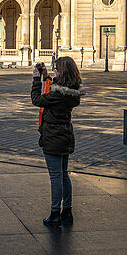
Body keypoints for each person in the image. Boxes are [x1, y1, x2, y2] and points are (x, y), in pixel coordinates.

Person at [31, 56, 83, 228]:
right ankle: (67, 211)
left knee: (55, 176)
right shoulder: (71, 91)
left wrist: (36, 81)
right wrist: (46, 77)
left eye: (57, 69)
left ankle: (55, 213)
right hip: (65, 135)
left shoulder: (58, 95)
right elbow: (57, 88)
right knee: (63, 174)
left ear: (63, 72)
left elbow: (37, 100)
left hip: (54, 135)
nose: (55, 71)